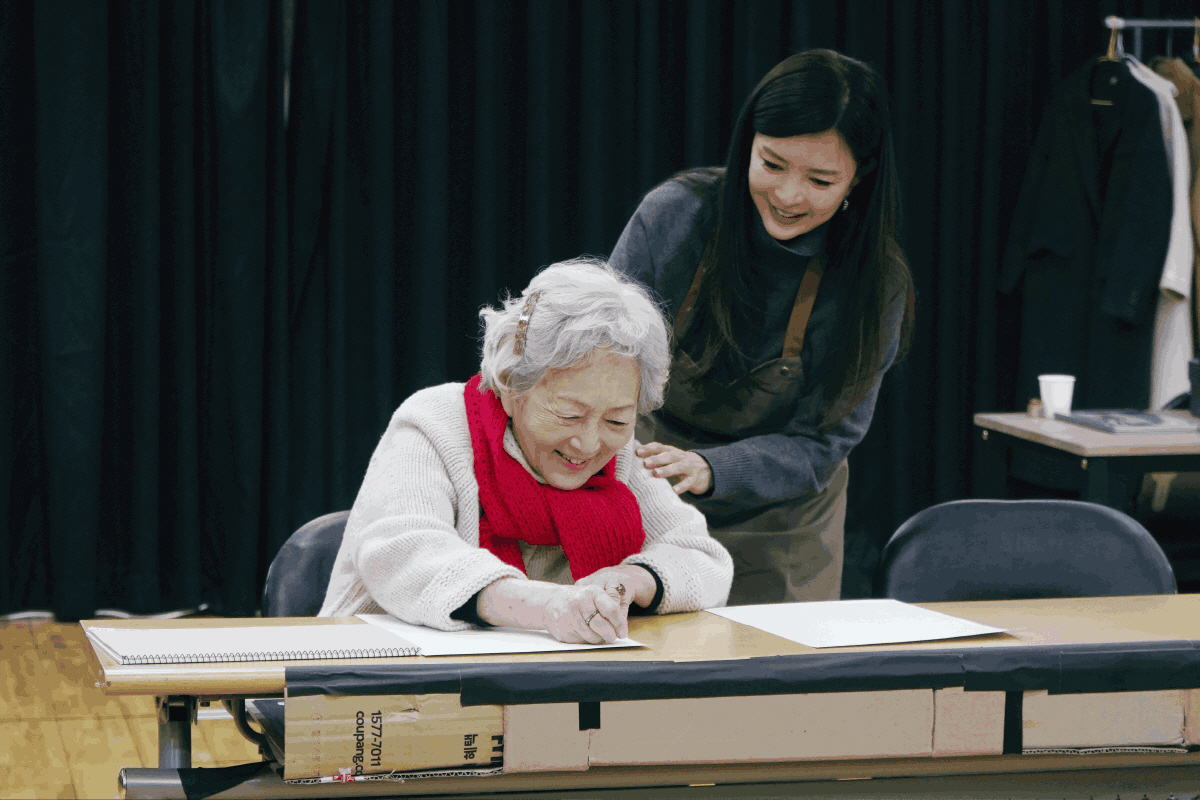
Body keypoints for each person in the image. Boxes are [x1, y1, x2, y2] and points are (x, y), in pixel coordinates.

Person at [608, 49, 915, 605]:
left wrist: (714, 467)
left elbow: (822, 441)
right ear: (747, 142)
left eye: (820, 179)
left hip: (782, 523)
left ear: (858, 178)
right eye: (772, 165)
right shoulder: (676, 216)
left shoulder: (876, 283)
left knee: (769, 657)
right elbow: (600, 355)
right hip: (649, 485)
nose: (789, 195)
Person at [318, 258, 733, 643]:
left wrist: (628, 581)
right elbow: (403, 553)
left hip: (540, 682)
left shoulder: (619, 455)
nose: (589, 444)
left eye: (617, 420)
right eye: (569, 415)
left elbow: (703, 559)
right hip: (381, 672)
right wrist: (548, 606)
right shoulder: (434, 423)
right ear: (510, 384)